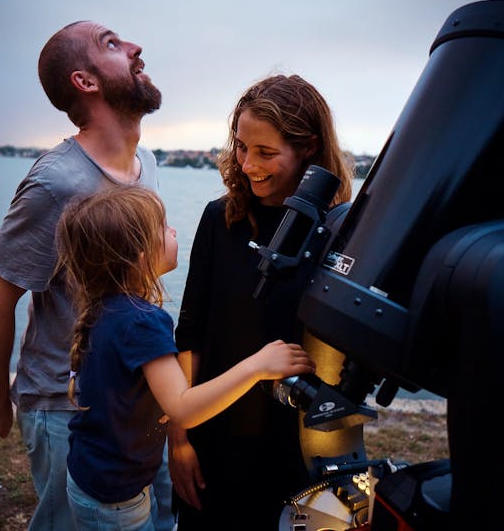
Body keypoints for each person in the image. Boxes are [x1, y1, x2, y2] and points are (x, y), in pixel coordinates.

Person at [0, 20, 174, 530]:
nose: (135, 46)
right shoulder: (56, 183)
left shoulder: (145, 162)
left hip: (134, 396)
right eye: (112, 43)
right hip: (67, 407)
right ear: (86, 81)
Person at [54, 185, 316, 531]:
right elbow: (183, 408)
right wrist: (258, 366)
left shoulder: (105, 305)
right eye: (164, 227)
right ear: (140, 256)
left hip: (92, 477)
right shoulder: (143, 322)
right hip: (114, 503)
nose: (174, 230)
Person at [169, 74, 355, 530]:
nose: (249, 164)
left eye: (266, 153)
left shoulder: (343, 233)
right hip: (215, 437)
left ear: (309, 148)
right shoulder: (220, 219)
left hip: (298, 450)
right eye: (241, 147)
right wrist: (179, 442)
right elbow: (189, 333)